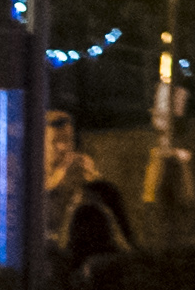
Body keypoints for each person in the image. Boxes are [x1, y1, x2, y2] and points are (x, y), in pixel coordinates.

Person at [42, 106, 134, 268]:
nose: (63, 147)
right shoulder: (31, 185)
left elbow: (125, 240)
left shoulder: (91, 181)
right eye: (55, 142)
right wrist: (60, 187)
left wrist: (93, 185)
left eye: (68, 140)